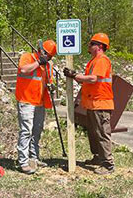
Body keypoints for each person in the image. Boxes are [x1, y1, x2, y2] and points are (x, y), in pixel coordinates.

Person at [63, 33, 115, 175]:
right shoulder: (94, 61)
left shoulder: (102, 60)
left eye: (92, 43)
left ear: (99, 46)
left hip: (101, 103)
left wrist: (75, 75)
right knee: (93, 132)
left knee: (102, 133)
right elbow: (86, 80)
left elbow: (93, 79)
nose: (89, 46)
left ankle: (108, 164)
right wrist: (75, 76)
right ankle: (98, 157)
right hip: (93, 104)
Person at [15, 39, 57, 174]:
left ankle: (34, 157)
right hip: (26, 101)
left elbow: (48, 82)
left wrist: (51, 88)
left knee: (37, 131)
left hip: (40, 102)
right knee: (26, 131)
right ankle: (23, 161)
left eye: (50, 57)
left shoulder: (48, 66)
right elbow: (23, 70)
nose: (49, 58)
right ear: (41, 51)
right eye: (48, 55)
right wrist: (38, 62)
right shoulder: (27, 57)